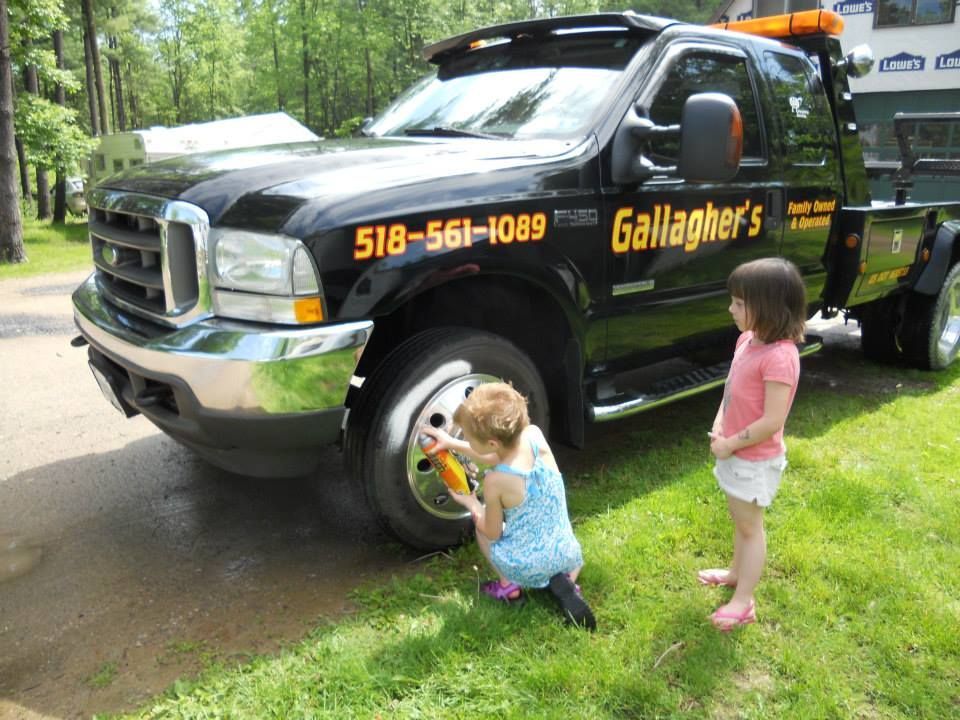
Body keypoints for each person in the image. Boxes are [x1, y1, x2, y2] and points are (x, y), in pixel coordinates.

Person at [421, 382, 596, 630]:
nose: (467, 440)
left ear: (492, 442)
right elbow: (496, 455)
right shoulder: (534, 435)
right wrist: (451, 443)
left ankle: (509, 587)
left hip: (525, 567)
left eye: (469, 438)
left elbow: (493, 532)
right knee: (557, 547)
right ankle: (567, 580)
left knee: (482, 525)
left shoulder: (496, 481)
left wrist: (472, 503)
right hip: (567, 554)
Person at [700, 257, 806, 632]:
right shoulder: (748, 340)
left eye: (740, 303)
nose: (731, 309)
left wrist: (731, 444)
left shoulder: (781, 357)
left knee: (750, 527)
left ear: (770, 306)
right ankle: (734, 572)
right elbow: (731, 388)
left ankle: (744, 601)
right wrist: (719, 423)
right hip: (733, 450)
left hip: (753, 460)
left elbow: (772, 421)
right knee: (739, 519)